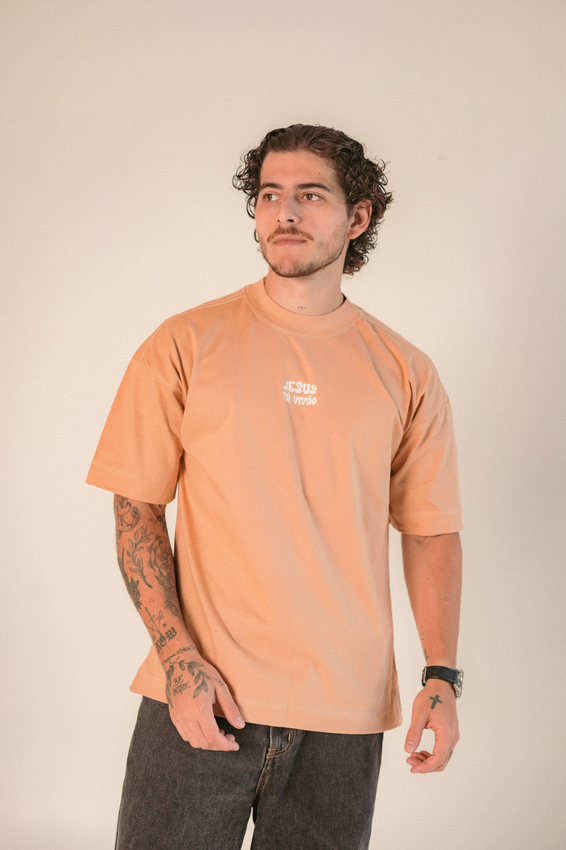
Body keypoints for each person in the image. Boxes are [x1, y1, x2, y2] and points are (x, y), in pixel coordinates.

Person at [86, 123, 464, 850]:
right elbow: (136, 508)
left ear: (358, 217)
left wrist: (441, 677)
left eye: (310, 195)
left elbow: (430, 530)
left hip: (345, 718)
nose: (284, 212)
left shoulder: (405, 370)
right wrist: (178, 659)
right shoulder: (185, 343)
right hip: (202, 699)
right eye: (269, 195)